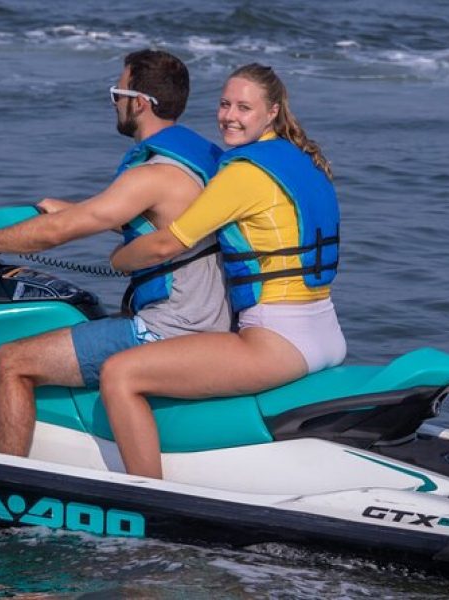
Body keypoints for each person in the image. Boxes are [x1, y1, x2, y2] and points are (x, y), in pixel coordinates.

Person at [0, 49, 231, 457]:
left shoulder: (153, 173)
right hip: (210, 316)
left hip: (173, 325)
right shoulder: (201, 159)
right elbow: (163, 223)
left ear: (140, 102)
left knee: (11, 361)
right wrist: (77, 210)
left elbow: (54, 234)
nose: (113, 103)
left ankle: (5, 486)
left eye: (116, 93)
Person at [100, 63, 347, 479]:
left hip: (276, 339)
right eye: (224, 104)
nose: (229, 116)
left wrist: (117, 260)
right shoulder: (298, 159)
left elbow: (166, 242)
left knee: (119, 373)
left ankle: (148, 499)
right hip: (324, 330)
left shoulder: (242, 174)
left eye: (244, 108)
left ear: (271, 112)